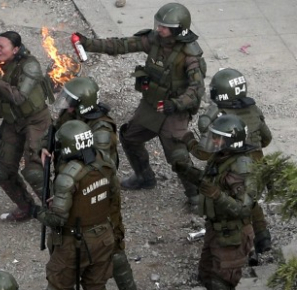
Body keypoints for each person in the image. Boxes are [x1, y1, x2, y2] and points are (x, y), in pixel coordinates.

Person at [74, 2, 207, 210]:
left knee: (177, 156)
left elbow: (196, 89)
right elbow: (122, 45)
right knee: (130, 137)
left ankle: (195, 196)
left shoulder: (190, 56)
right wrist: (88, 44)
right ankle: (144, 177)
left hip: (174, 111)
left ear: (177, 30)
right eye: (159, 25)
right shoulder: (154, 40)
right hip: (153, 103)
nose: (158, 29)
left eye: (164, 27)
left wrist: (176, 104)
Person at [41, 77, 144, 290]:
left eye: (70, 100)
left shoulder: (101, 130)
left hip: (97, 192)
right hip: (72, 188)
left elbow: (99, 166)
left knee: (113, 248)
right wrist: (47, 147)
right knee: (66, 244)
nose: (65, 105)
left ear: (82, 105)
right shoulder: (70, 115)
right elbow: (56, 132)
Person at [34, 120, 120, 290]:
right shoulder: (105, 164)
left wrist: (38, 212)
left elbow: (57, 219)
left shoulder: (68, 177)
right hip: (102, 237)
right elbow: (112, 196)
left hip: (72, 242)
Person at [175, 115, 256, 290]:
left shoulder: (241, 166)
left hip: (233, 233)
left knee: (222, 281)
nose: (214, 142)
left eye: (219, 139)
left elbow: (243, 207)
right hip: (216, 227)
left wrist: (215, 195)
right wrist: (188, 172)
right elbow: (211, 182)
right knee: (207, 274)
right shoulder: (222, 159)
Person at [186, 68, 273, 254]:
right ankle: (263, 236)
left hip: (234, 167)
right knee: (252, 200)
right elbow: (267, 139)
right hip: (258, 163)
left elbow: (204, 152)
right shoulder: (253, 109)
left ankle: (242, 246)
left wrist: (189, 141)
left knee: (234, 205)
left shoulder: (221, 118)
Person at [0, 31, 55, 221]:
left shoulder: (30, 65)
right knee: (4, 171)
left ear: (16, 49)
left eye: (2, 46)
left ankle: (58, 212)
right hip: (13, 123)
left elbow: (19, 97)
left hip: (36, 121)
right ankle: (26, 207)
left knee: (34, 171)